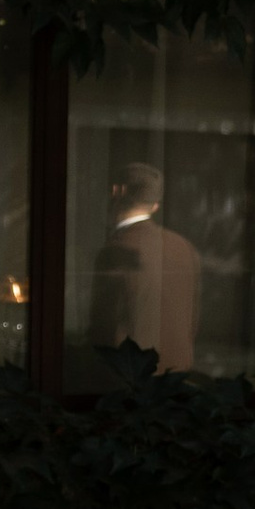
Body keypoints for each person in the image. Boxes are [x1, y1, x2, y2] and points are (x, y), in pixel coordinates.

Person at [89, 160, 200, 374]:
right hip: (176, 372)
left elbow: (103, 324)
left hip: (131, 376)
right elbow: (192, 319)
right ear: (155, 205)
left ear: (116, 191)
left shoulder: (117, 251)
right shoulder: (183, 247)